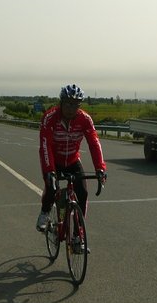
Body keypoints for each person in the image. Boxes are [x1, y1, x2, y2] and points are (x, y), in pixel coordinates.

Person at [36, 84, 107, 232]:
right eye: (68, 104)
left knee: (83, 192)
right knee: (51, 187)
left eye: (75, 105)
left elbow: (94, 143)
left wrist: (100, 168)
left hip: (73, 160)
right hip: (53, 160)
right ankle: (44, 213)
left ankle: (78, 231)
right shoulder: (50, 117)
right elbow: (45, 146)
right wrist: (50, 171)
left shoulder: (85, 119)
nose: (71, 109)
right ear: (61, 103)